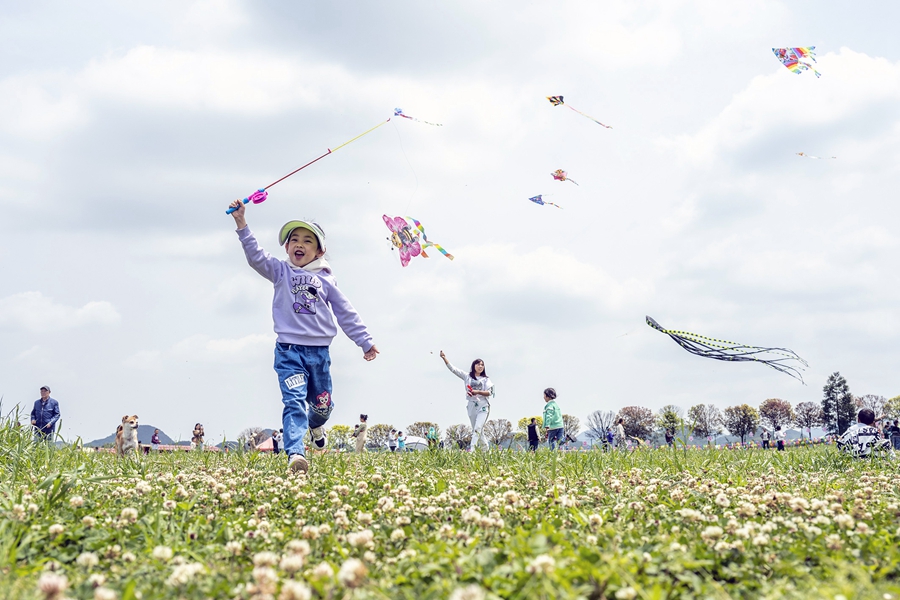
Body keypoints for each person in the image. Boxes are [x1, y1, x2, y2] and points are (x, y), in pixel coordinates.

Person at [229, 201, 379, 474]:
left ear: (320, 251)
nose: (299, 244)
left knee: (322, 406)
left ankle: (316, 424)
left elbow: (346, 312)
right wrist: (242, 223)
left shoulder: (326, 281)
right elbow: (255, 257)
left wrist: (365, 341)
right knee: (294, 401)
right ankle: (296, 454)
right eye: (293, 240)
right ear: (286, 248)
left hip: (319, 354)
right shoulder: (281, 272)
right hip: (289, 353)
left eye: (307, 240)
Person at [439, 351, 494, 451]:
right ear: (473, 366)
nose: (480, 366)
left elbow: (490, 392)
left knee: (478, 428)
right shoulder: (467, 376)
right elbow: (453, 369)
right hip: (472, 406)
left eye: (482, 365)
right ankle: (485, 449)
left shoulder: (486, 379)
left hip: (483, 405)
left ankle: (472, 450)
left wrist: (478, 391)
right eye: (478, 364)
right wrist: (444, 358)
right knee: (477, 430)